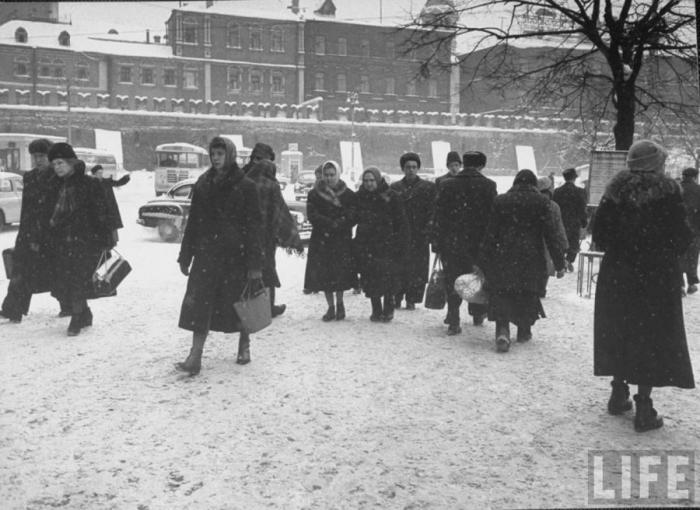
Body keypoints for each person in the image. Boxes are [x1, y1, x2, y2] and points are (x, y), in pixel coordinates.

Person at [592, 140, 694, 432]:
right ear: (654, 162)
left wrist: (624, 247)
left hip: (618, 273)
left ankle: (618, 392)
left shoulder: (615, 189)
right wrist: (660, 250)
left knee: (620, 328)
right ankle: (644, 407)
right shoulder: (669, 191)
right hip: (656, 276)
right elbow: (683, 235)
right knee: (651, 335)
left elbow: (600, 233)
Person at [176, 136, 263, 376]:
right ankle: (195, 355)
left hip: (236, 257)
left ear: (230, 155)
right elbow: (193, 222)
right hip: (207, 256)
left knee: (239, 303)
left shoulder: (246, 186)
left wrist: (255, 264)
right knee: (200, 307)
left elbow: (254, 227)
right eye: (213, 154)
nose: (215, 158)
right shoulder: (203, 183)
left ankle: (244, 344)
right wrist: (186, 255)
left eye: (220, 154)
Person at [479, 169, 566, 352]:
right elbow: (551, 235)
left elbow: (491, 232)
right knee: (526, 293)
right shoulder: (543, 202)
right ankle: (523, 330)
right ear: (534, 184)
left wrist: (483, 259)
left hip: (503, 255)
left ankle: (502, 329)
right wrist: (559, 262)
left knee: (503, 292)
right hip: (531, 256)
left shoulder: (501, 201)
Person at [46, 143, 114, 336]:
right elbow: (50, 212)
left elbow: (102, 212)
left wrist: (105, 238)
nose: (57, 167)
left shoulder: (89, 183)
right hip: (61, 240)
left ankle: (77, 318)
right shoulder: (55, 184)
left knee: (77, 279)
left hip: (84, 241)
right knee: (66, 280)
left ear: (71, 162)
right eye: (54, 164)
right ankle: (84, 312)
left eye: (60, 162)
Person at [0, 139, 66, 323]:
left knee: (58, 272)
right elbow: (27, 208)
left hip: (52, 233)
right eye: (35, 156)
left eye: (42, 156)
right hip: (29, 232)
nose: (38, 160)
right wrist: (24, 234)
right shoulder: (29, 177)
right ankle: (12, 309)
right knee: (20, 270)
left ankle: (69, 305)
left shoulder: (59, 177)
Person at [433, 151, 497, 335]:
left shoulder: (447, 185)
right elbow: (492, 218)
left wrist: (437, 242)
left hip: (452, 241)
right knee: (476, 277)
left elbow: (439, 215)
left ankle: (454, 317)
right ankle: (477, 312)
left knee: (453, 278)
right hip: (478, 243)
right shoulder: (488, 185)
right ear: (481, 166)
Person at [246, 159, 304, 318]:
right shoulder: (271, 186)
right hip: (266, 237)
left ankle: (248, 305)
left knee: (248, 270)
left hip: (247, 236)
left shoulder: (245, 183)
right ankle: (268, 307)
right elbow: (280, 213)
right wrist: (291, 238)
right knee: (268, 271)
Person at [303, 160, 357, 320]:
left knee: (339, 274)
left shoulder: (348, 194)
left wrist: (340, 223)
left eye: (332, 174)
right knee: (325, 275)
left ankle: (340, 304)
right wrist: (329, 224)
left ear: (338, 174)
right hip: (322, 239)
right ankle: (330, 307)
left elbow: (352, 215)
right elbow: (312, 215)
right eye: (326, 175)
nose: (329, 178)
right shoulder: (314, 194)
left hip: (341, 239)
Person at [354, 167, 409, 322]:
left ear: (378, 180)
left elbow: (401, 222)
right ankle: (376, 308)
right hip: (367, 244)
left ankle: (388, 306)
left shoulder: (391, 196)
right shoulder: (360, 197)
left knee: (387, 277)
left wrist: (401, 243)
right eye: (365, 181)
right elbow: (354, 215)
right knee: (371, 277)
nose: (369, 184)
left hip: (387, 244)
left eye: (372, 180)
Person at [390, 152, 436, 310]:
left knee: (417, 269)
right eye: (408, 167)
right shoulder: (395, 188)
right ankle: (397, 296)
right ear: (403, 168)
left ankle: (412, 298)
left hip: (419, 235)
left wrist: (428, 228)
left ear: (418, 168)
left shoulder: (428, 187)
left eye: (414, 167)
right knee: (398, 267)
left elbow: (433, 210)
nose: (411, 170)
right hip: (400, 235)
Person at [537, 176, 569, 296]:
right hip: (548, 239)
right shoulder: (553, 205)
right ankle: (541, 288)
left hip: (533, 238)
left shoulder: (530, 201)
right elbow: (558, 226)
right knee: (545, 263)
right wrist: (564, 243)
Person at [553, 167, 588, 271]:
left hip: (561, 222)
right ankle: (568, 260)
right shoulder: (580, 192)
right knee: (573, 244)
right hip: (574, 222)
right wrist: (584, 221)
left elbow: (554, 207)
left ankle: (562, 261)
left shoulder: (557, 191)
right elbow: (582, 207)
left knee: (561, 242)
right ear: (574, 178)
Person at [90, 164, 130, 245]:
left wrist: (125, 178)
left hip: (109, 209)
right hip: (99, 210)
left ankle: (112, 242)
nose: (100, 174)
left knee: (112, 227)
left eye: (101, 172)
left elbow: (118, 183)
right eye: (98, 173)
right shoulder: (91, 184)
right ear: (94, 174)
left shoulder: (106, 182)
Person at [680, 167, 700, 295]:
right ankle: (691, 284)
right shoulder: (699, 190)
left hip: (677, 228)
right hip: (694, 229)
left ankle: (680, 286)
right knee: (692, 256)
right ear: (695, 176)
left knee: (679, 256)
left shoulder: (676, 188)